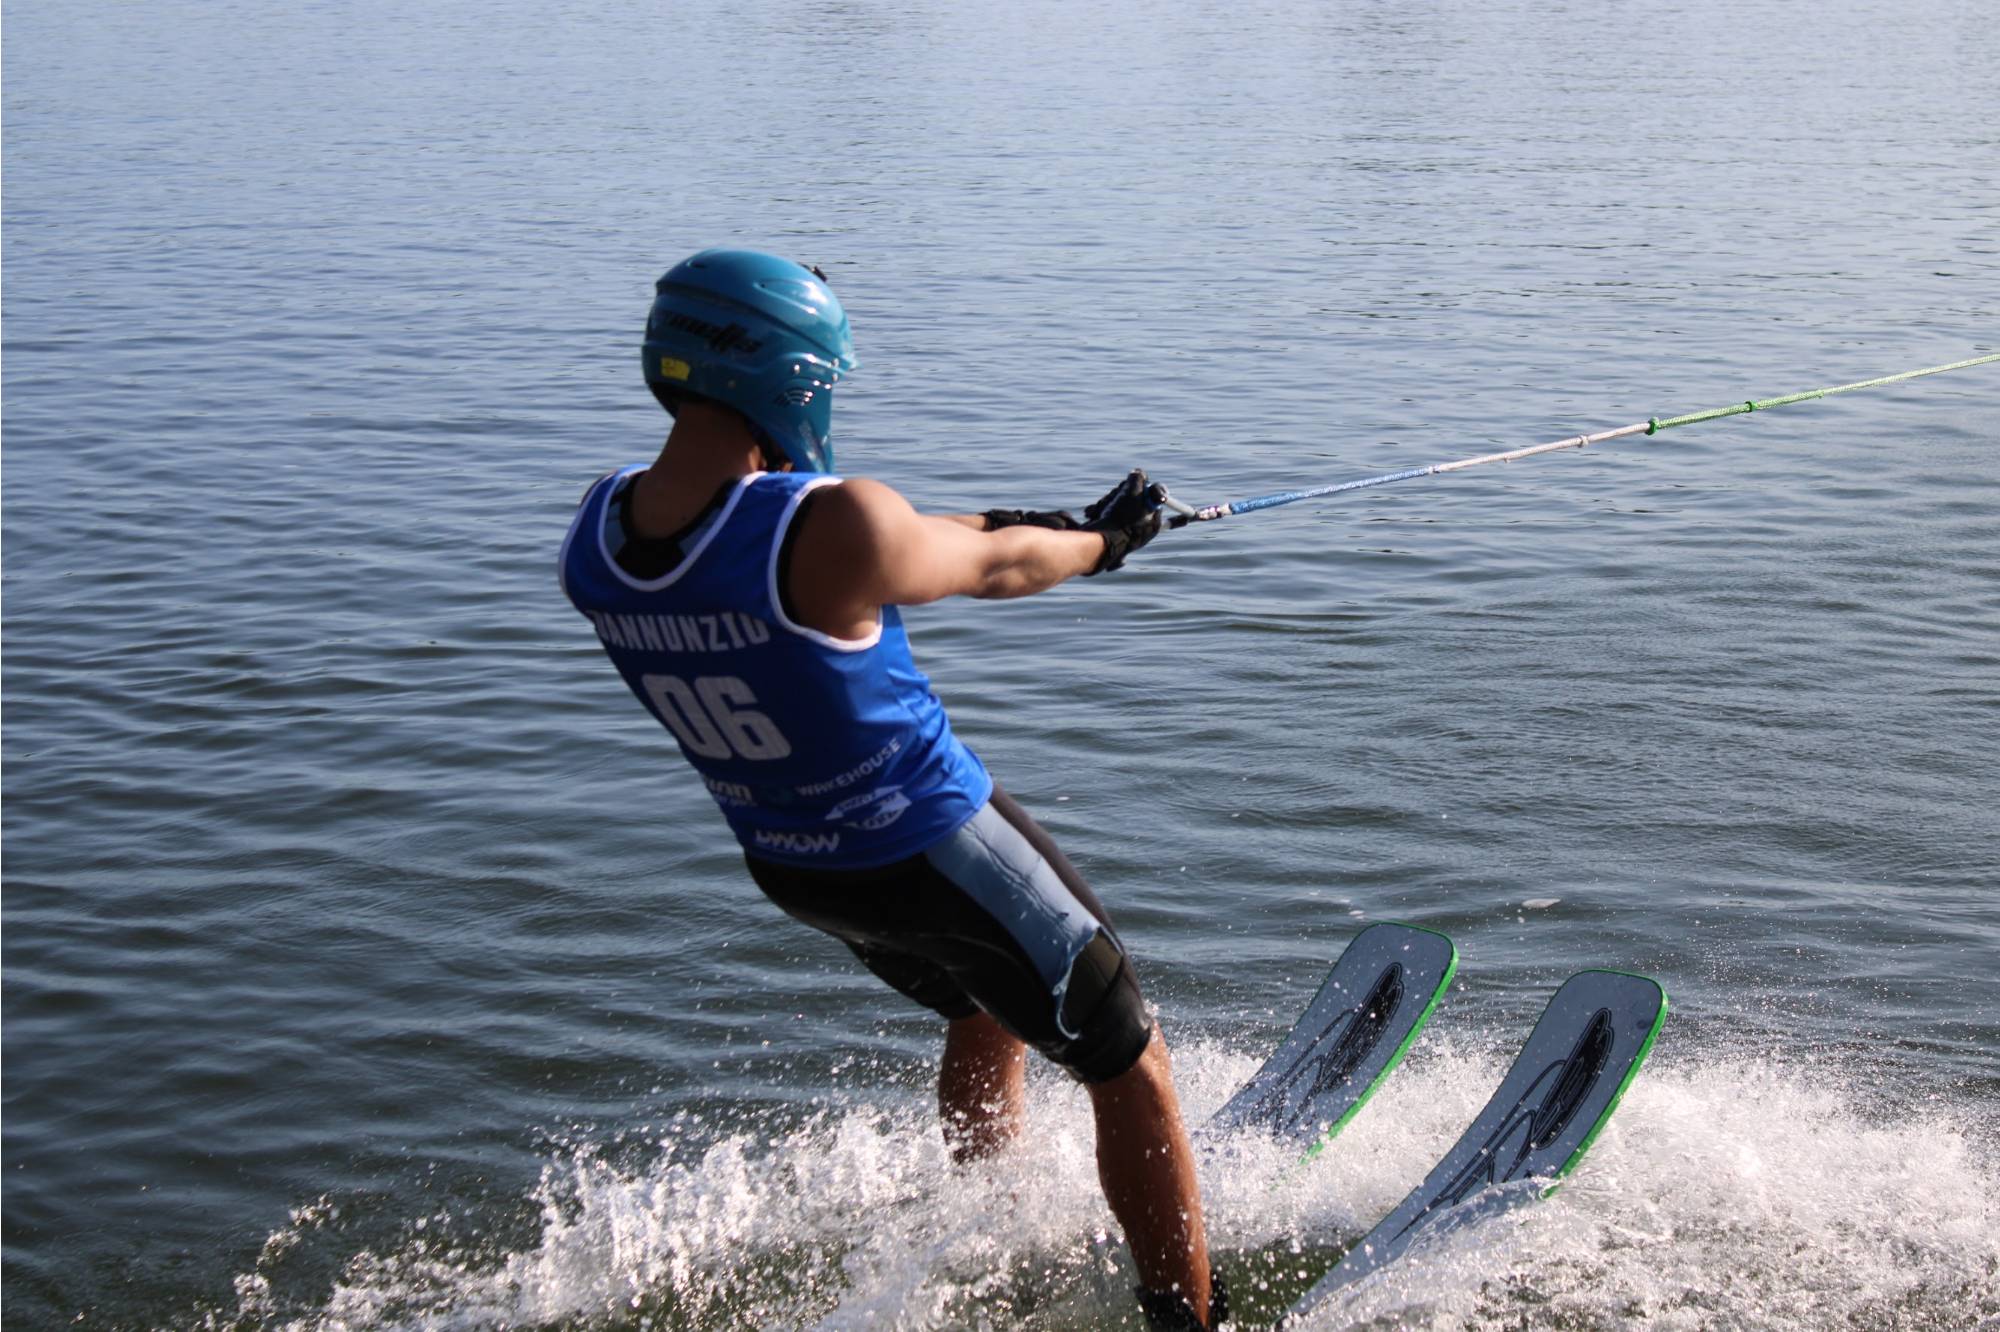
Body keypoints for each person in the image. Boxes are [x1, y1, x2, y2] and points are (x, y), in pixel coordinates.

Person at [557, 249, 1225, 1330]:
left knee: (977, 1005)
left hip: (802, 871)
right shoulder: (829, 527)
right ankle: (1190, 1322)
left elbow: (885, 539)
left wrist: (1025, 515)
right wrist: (1102, 544)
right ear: (789, 375)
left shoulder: (595, 541)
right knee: (1128, 1057)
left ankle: (992, 1218)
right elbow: (993, 568)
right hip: (936, 845)